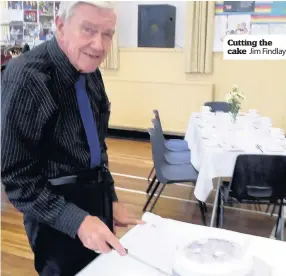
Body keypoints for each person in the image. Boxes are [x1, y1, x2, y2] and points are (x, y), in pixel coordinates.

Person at [1, 1, 144, 275]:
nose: (99, 46)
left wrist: (109, 199)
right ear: (60, 25)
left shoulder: (90, 71)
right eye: (88, 30)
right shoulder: (26, 79)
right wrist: (76, 221)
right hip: (52, 210)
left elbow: (96, 145)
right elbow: (17, 179)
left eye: (108, 34)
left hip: (94, 197)